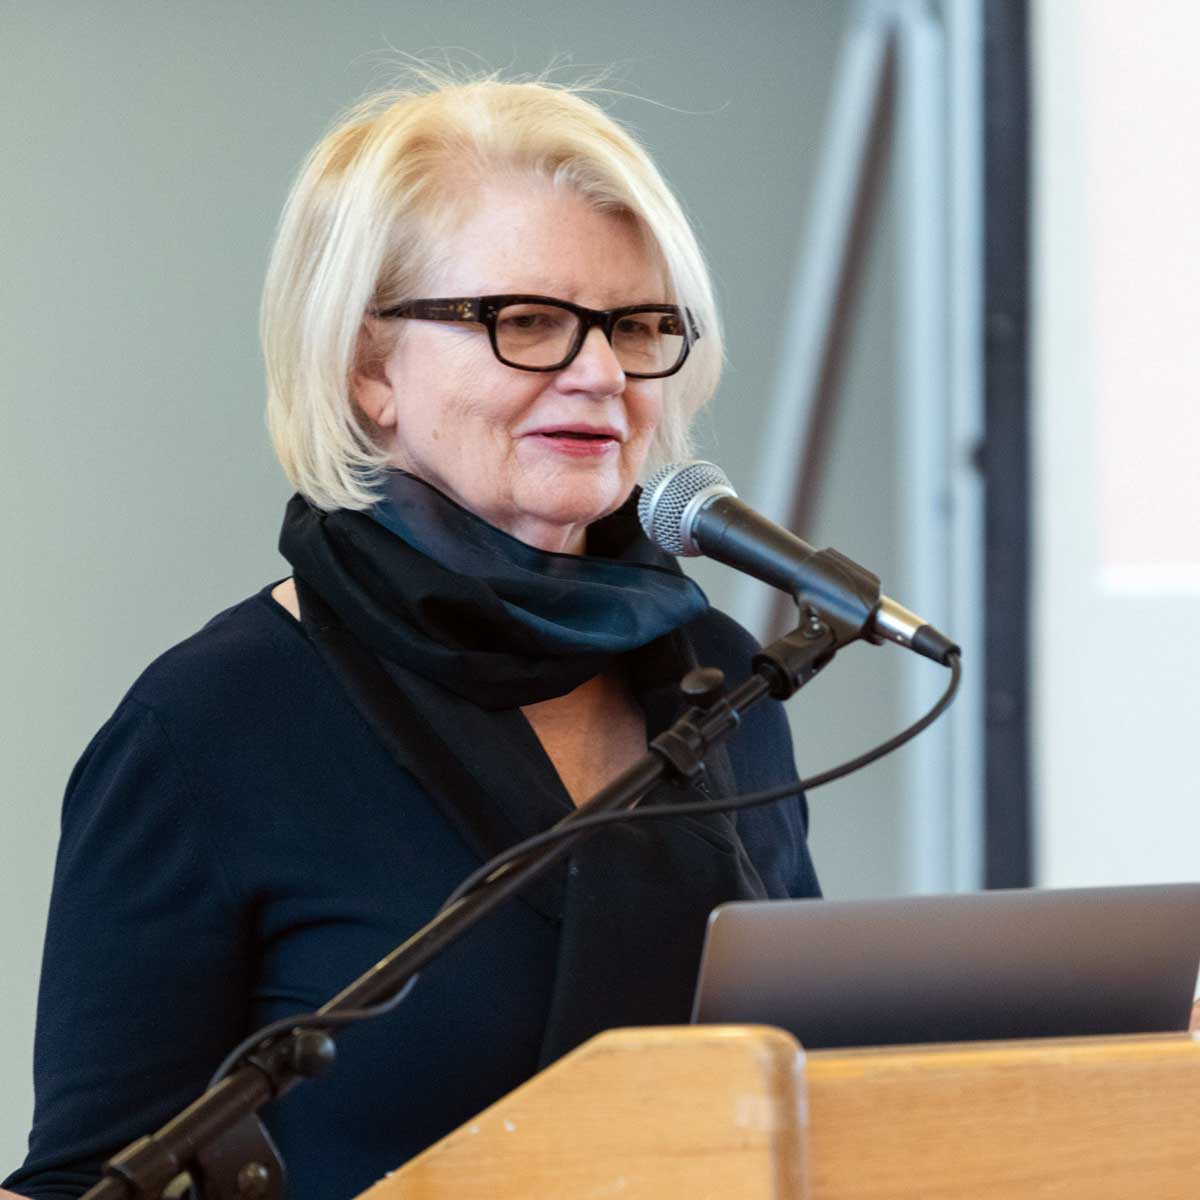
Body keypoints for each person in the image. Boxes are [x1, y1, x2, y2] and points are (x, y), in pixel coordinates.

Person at [3, 75, 819, 1200]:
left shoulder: (722, 680)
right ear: (368, 370)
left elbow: (812, 1089)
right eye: (526, 321)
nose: (601, 375)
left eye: (635, 326)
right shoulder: (208, 728)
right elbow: (90, 1183)